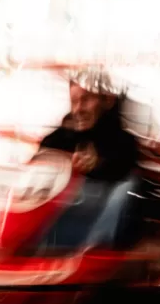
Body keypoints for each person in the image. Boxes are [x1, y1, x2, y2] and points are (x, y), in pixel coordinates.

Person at [33, 67, 146, 252]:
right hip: (59, 224)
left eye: (85, 100)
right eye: (74, 102)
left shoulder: (124, 142)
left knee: (130, 186)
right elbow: (39, 168)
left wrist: (98, 165)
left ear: (107, 101)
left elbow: (125, 168)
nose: (78, 109)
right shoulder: (56, 139)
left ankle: (97, 248)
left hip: (97, 224)